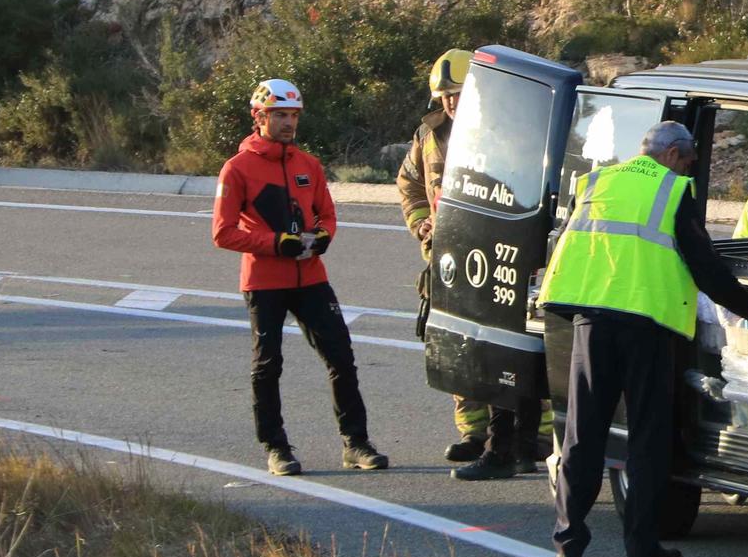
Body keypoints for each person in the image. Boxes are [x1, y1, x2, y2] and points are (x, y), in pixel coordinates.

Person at [538, 120, 748, 557]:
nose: (692, 169)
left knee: (583, 435)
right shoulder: (673, 192)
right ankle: (642, 549)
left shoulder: (597, 181)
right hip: (646, 324)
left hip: (591, 320)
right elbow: (704, 265)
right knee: (647, 439)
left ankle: (568, 546)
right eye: (691, 159)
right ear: (673, 155)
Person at [213, 78, 389, 477]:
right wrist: (277, 243)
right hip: (263, 281)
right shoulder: (237, 168)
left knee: (341, 355)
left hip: (311, 277)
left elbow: (326, 213)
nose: (289, 123)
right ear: (260, 117)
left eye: (293, 115)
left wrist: (325, 235)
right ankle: (275, 448)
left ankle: (356, 443)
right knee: (267, 365)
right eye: (280, 115)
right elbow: (222, 233)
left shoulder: (309, 164)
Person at [397, 49, 551, 471]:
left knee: (514, 342)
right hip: (448, 256)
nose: (450, 104)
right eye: (444, 97)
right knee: (458, 341)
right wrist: (421, 224)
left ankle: (535, 435)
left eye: (458, 94)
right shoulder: (429, 135)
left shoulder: (504, 134)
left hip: (493, 252)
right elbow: (409, 182)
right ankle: (474, 431)